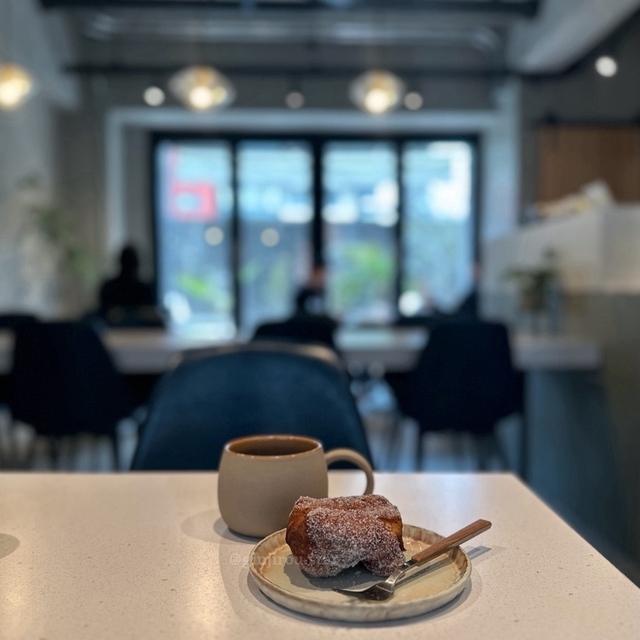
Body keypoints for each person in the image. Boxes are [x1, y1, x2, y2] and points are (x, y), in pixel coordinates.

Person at [97, 244, 164, 327]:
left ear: (120, 262)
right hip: (140, 332)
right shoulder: (144, 289)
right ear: (137, 263)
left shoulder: (108, 287)